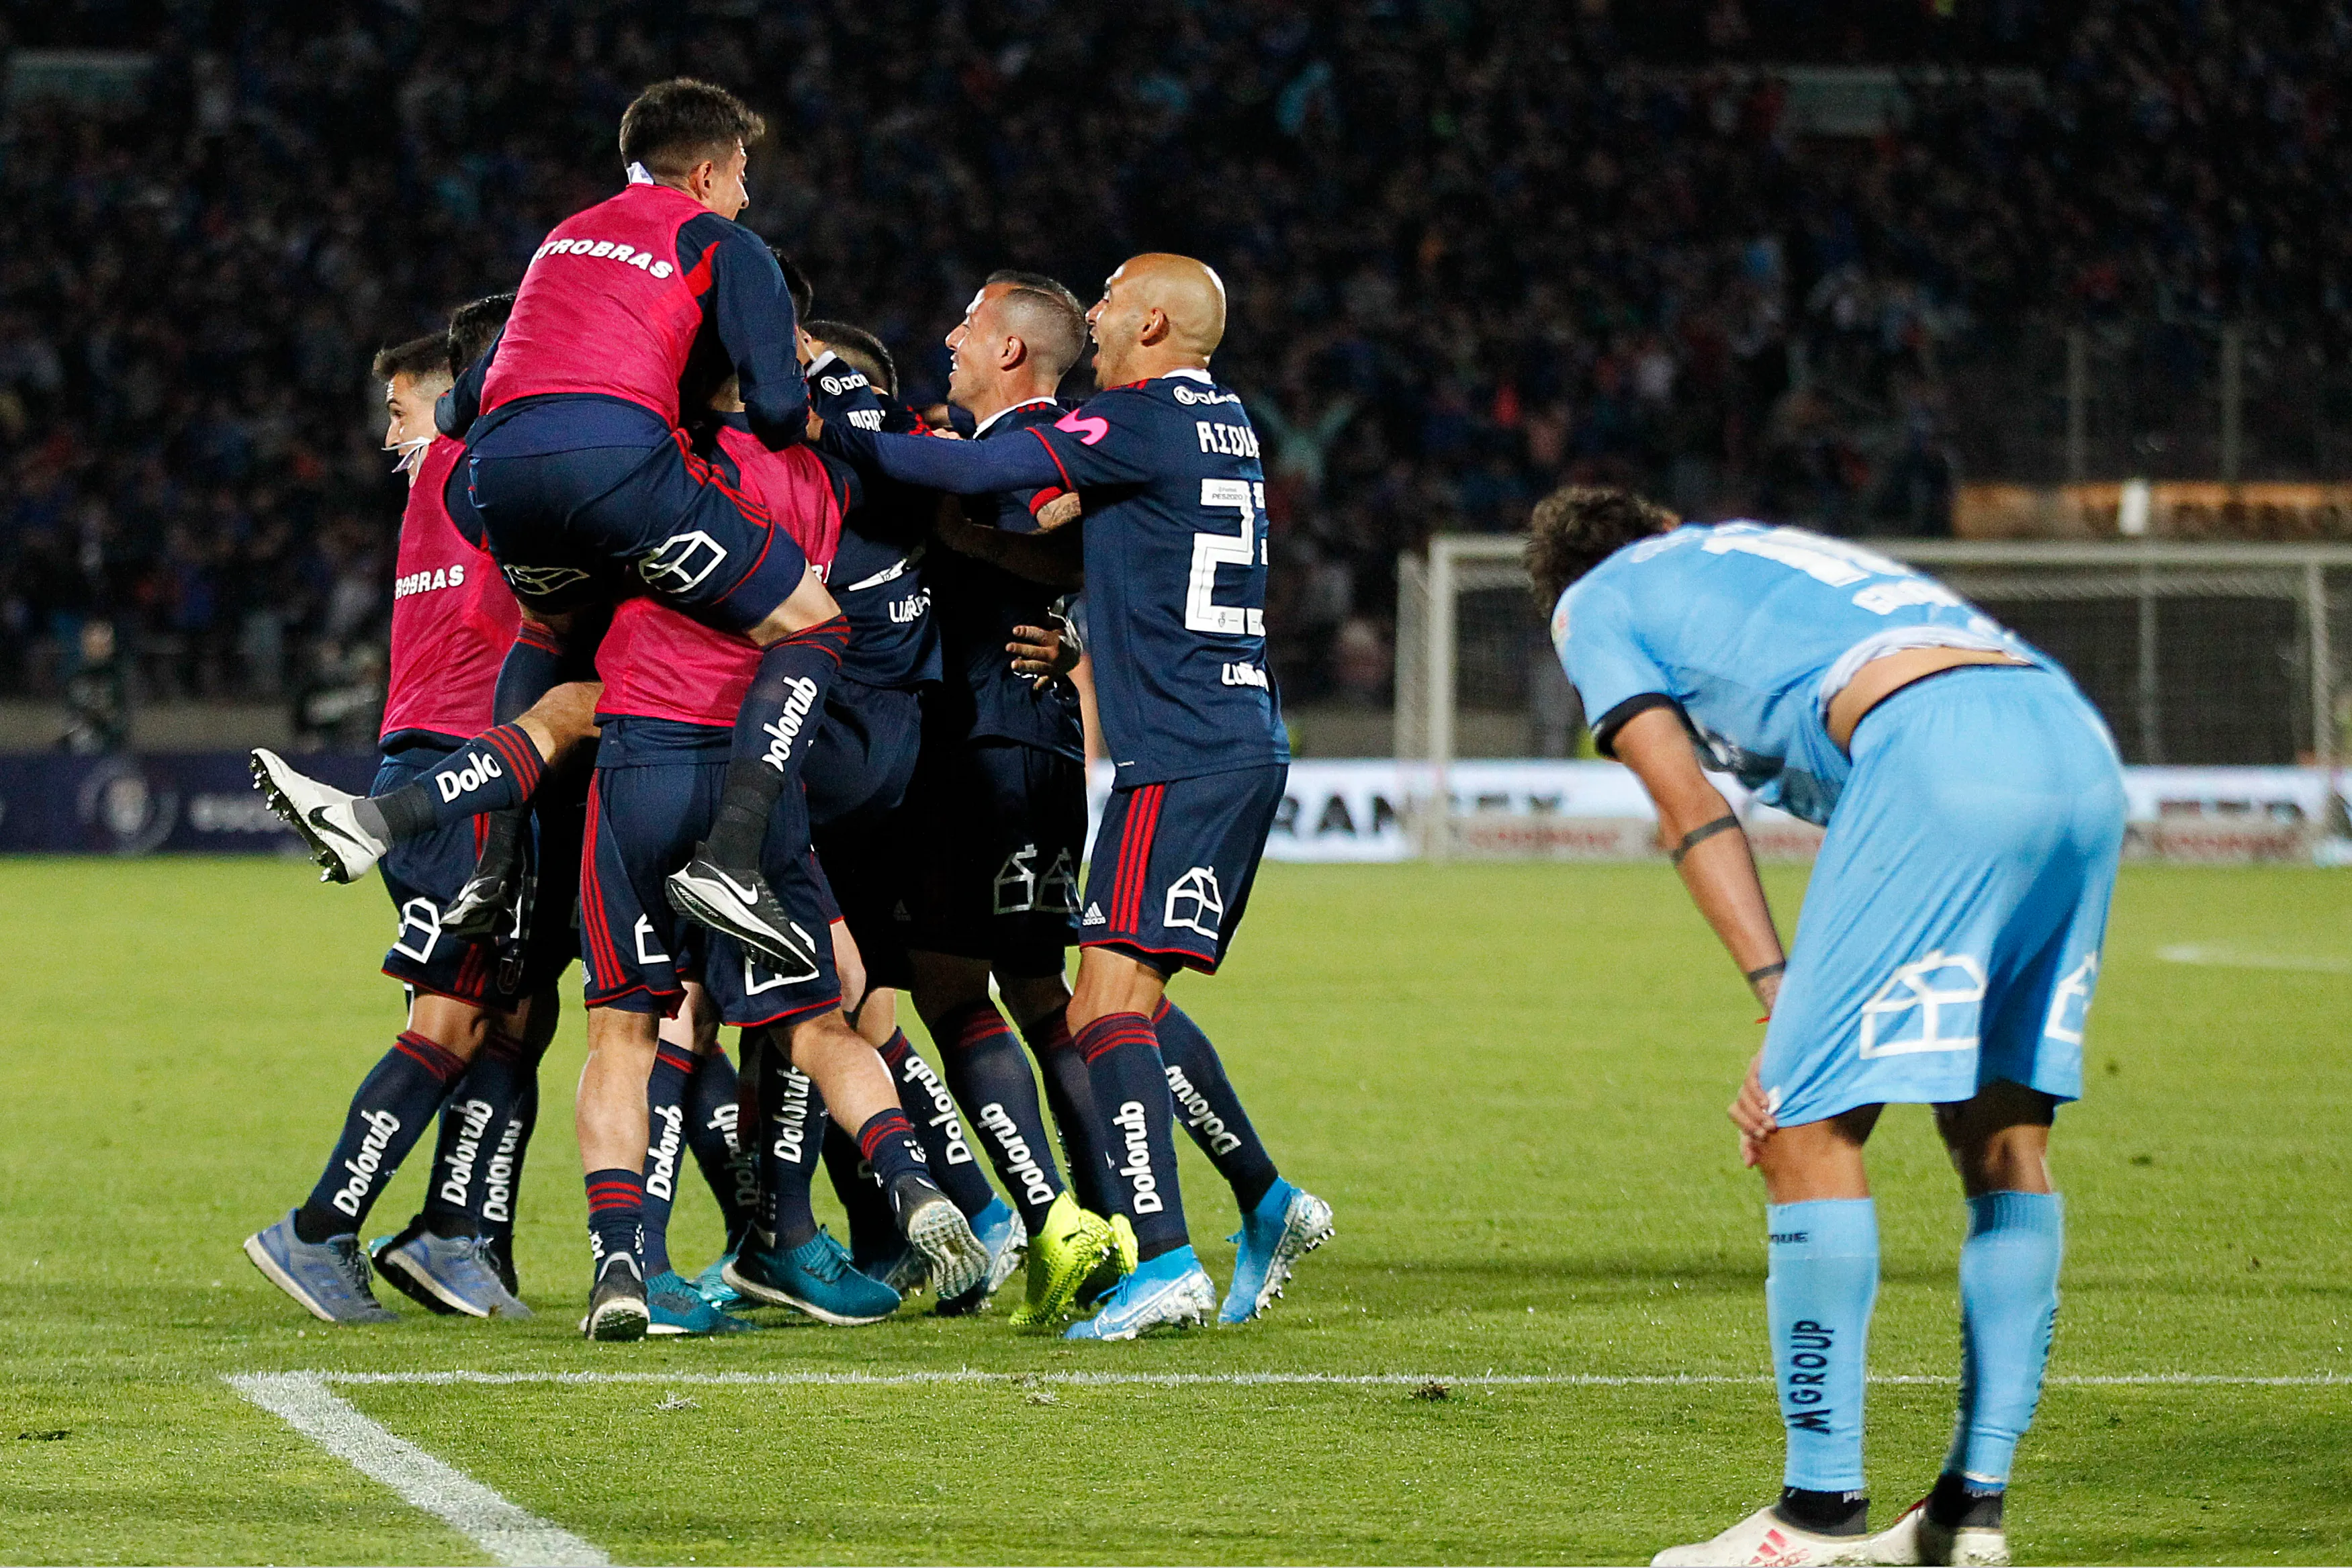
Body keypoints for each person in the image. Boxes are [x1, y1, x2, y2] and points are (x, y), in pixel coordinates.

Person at [1525, 489, 2122, 1568]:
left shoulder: (1591, 597)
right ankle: (1966, 1514)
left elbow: (1685, 801)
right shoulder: (1755, 547)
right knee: (2002, 1140)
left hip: (1933, 743)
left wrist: (1776, 997)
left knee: (1798, 1126)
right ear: (1663, 524)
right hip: (2072, 745)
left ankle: (1813, 1516)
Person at [817, 253, 1332, 1341]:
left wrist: (839, 426)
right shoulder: (1220, 421)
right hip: (1220, 739)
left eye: (1106, 302)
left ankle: (1159, 1257)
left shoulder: (1137, 418)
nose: (1093, 319)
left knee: (1094, 1010)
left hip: (1176, 754)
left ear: (1151, 322)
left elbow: (979, 481)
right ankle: (1263, 1199)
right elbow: (1075, 543)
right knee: (1116, 1000)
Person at [251, 78, 840, 978]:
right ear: (710, 171)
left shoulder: (561, 241)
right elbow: (770, 408)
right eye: (743, 174)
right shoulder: (728, 245)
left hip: (500, 475)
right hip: (614, 460)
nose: (748, 194)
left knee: (553, 654)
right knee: (811, 622)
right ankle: (732, 857)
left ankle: (457, 847)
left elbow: (460, 406)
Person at [572, 379, 987, 1339]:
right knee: (815, 1021)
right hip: (762, 768)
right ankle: (911, 1180)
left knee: (624, 1034)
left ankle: (622, 1263)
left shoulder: (656, 453)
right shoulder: (821, 480)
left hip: (643, 754)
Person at [242, 318, 584, 1324]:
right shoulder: (474, 466)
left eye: (401, 411)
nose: (392, 436)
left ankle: (451, 1230)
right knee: (456, 1015)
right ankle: (317, 1228)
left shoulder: (452, 473)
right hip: (458, 771)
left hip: (461, 769)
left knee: (513, 1009)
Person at [905, 270, 1122, 1327]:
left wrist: (976, 542)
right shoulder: (1018, 447)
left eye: (968, 325)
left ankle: (1052, 1222)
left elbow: (1080, 535)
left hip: (979, 745)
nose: (948, 336)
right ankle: (1119, 1224)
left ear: (1008, 354)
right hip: (1035, 744)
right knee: (1039, 992)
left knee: (950, 989)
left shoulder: (1025, 448)